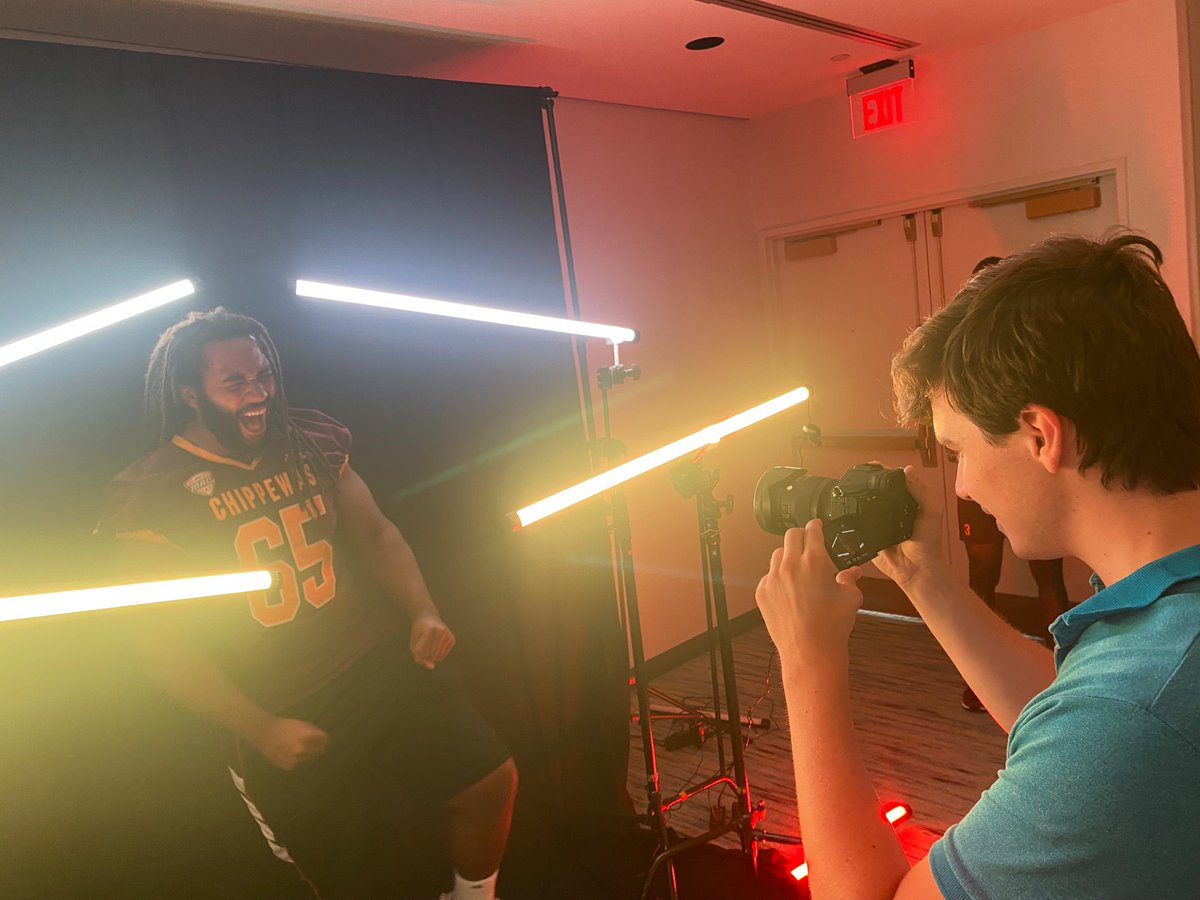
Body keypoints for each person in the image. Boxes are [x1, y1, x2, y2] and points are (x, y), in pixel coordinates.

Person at [755, 233, 1200, 898]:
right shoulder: (1164, 622)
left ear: (1041, 435)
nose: (962, 486)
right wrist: (923, 577)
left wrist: (806, 660)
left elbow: (1111, 726)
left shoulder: (1132, 710)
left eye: (959, 449)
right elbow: (1065, 708)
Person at [95, 308, 517, 900]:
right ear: (191, 394)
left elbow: (377, 534)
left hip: (371, 660)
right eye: (235, 382)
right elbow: (156, 641)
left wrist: (424, 611)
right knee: (361, 875)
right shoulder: (153, 493)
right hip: (283, 698)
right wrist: (260, 727)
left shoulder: (307, 438)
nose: (257, 393)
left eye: (263, 375)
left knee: (489, 782)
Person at [952, 255, 1071, 712]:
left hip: (1029, 480)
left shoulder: (1029, 344)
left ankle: (1067, 675)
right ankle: (983, 679)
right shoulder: (956, 353)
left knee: (1049, 579)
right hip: (978, 486)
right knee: (981, 580)